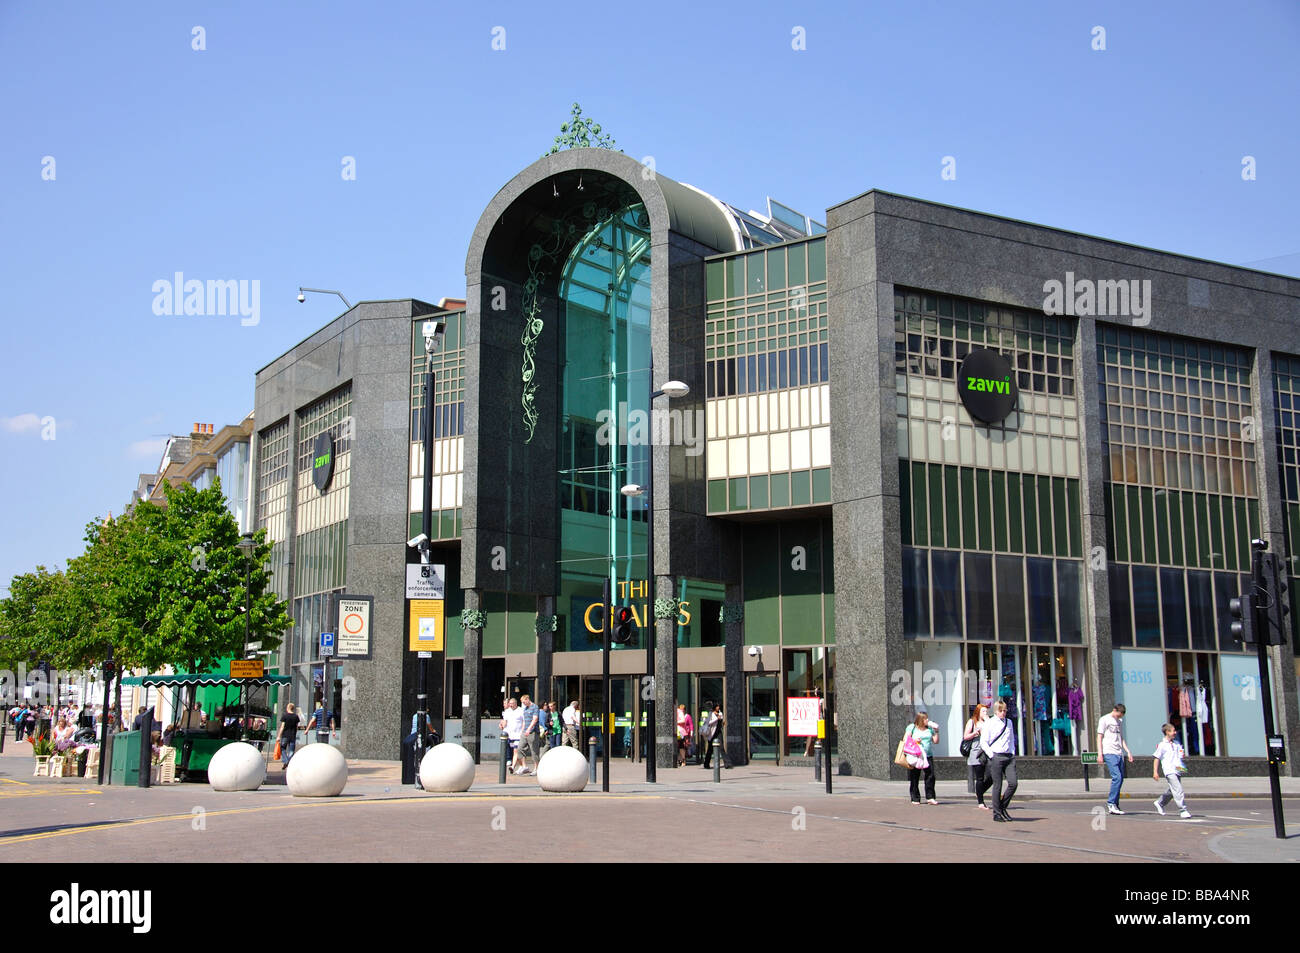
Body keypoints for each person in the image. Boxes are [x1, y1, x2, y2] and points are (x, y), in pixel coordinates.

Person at [977, 700, 1017, 822]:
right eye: (1001, 711)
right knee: (997, 785)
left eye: (1005, 710)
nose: (1003, 713)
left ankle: (1003, 806)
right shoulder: (989, 723)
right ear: (995, 711)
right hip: (996, 756)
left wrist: (1012, 752)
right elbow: (983, 742)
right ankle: (997, 813)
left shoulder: (1009, 722)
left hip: (1008, 756)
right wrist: (991, 755)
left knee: (1013, 783)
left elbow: (1011, 739)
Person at [1097, 703, 1133, 815]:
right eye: (1118, 715)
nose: (1119, 718)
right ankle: (1111, 803)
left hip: (1119, 753)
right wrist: (1100, 754)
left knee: (1121, 778)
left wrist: (1128, 751)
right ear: (1114, 710)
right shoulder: (1104, 719)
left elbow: (1120, 738)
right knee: (1116, 777)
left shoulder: (1119, 722)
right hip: (1109, 752)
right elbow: (1099, 737)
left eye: (1121, 716)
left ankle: (1116, 804)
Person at [1153, 723, 1192, 819]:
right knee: (1178, 789)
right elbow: (1156, 758)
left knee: (1172, 790)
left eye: (1175, 731)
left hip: (1177, 770)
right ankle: (1183, 810)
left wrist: (1182, 768)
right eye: (1173, 731)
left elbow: (1180, 757)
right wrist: (1155, 772)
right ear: (1167, 732)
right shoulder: (1162, 745)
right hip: (1169, 770)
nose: (1175, 732)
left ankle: (1160, 802)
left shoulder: (1177, 743)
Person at [904, 711, 939, 805]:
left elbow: (935, 741)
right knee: (915, 776)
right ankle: (915, 797)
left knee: (930, 775)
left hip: (927, 755)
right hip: (916, 755)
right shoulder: (912, 727)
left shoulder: (930, 729)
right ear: (921, 720)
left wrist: (936, 731)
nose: (927, 720)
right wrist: (914, 740)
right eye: (925, 719)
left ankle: (930, 796)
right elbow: (905, 739)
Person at [964, 704, 990, 809]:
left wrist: (988, 723)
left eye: (986, 711)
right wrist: (975, 733)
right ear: (978, 712)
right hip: (976, 753)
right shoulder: (972, 722)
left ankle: (980, 791)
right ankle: (981, 802)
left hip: (987, 752)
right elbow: (965, 736)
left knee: (992, 776)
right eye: (983, 711)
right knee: (979, 777)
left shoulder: (989, 722)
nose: (985, 713)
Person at [700, 702, 732, 769]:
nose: (718, 707)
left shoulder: (720, 713)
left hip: (718, 732)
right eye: (717, 706)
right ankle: (706, 764)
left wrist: (722, 721)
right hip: (712, 733)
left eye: (719, 706)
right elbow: (708, 722)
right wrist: (716, 718)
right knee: (710, 749)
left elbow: (721, 722)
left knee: (721, 748)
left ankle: (727, 763)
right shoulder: (711, 714)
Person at [500, 698, 526, 774]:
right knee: (515, 752)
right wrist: (501, 725)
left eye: (512, 703)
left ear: (516, 703)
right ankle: (522, 766)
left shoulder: (521, 710)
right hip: (510, 735)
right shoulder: (507, 711)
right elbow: (505, 721)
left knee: (516, 751)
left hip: (518, 735)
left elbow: (524, 721)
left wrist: (522, 731)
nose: (510, 705)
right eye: (510, 703)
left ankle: (513, 766)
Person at [518, 695, 540, 772]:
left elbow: (535, 719)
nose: (523, 704)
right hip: (525, 732)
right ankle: (524, 766)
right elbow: (524, 720)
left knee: (534, 750)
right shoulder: (525, 709)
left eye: (524, 702)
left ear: (527, 699)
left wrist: (529, 729)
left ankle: (536, 768)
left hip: (533, 732)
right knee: (520, 748)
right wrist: (523, 730)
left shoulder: (535, 707)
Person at [277, 703, 300, 769]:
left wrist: (279, 736)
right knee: (291, 750)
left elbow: (282, 727)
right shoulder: (296, 716)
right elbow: (296, 726)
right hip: (293, 735)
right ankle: (288, 761)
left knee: (283, 748)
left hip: (285, 735)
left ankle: (286, 761)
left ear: (288, 708)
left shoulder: (285, 716)